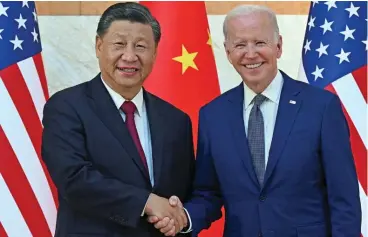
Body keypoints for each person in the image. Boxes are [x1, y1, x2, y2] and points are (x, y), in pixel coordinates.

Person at [149, 4, 362, 237]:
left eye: (260, 43)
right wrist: (184, 218)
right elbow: (208, 192)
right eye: (240, 45)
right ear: (228, 52)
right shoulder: (213, 115)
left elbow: (344, 199)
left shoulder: (321, 107)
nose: (250, 54)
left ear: (278, 46)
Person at [41, 2, 194, 237]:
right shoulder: (66, 106)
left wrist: (177, 217)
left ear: (155, 53)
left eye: (141, 46)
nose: (130, 56)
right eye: (119, 44)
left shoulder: (176, 120)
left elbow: (183, 192)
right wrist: (147, 202)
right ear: (99, 46)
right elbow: (74, 179)